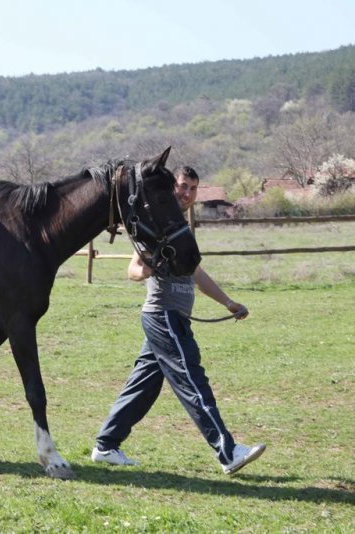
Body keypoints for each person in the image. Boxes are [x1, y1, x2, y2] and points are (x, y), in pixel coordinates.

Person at [91, 165, 265, 475]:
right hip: (164, 315)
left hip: (173, 317)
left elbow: (196, 272)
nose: (186, 193)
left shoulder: (179, 227)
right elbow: (132, 269)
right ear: (172, 188)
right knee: (192, 379)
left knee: (142, 387)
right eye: (182, 186)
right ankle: (228, 452)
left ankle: (106, 446)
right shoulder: (156, 222)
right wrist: (142, 270)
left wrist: (228, 302)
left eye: (192, 188)